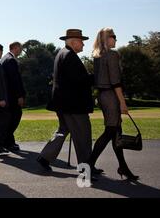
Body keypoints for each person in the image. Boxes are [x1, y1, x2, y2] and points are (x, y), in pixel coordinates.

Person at [37, 29, 95, 174]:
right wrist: (96, 77)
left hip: (63, 103)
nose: (83, 44)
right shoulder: (69, 56)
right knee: (83, 135)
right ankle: (86, 168)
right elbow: (78, 81)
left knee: (63, 130)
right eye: (81, 41)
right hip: (73, 105)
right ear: (73, 41)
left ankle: (45, 157)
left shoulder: (62, 53)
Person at [89, 28, 139, 181]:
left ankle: (123, 166)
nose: (116, 39)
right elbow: (116, 81)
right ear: (106, 38)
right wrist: (122, 102)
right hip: (111, 96)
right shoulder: (112, 55)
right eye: (114, 36)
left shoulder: (97, 56)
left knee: (116, 132)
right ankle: (88, 165)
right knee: (111, 131)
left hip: (103, 96)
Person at [1, 42, 26, 152]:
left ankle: (9, 141)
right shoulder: (11, 60)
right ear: (15, 48)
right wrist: (19, 96)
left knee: (10, 119)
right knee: (14, 118)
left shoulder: (4, 58)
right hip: (12, 96)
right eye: (20, 48)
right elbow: (14, 80)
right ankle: (7, 141)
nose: (21, 50)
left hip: (7, 95)